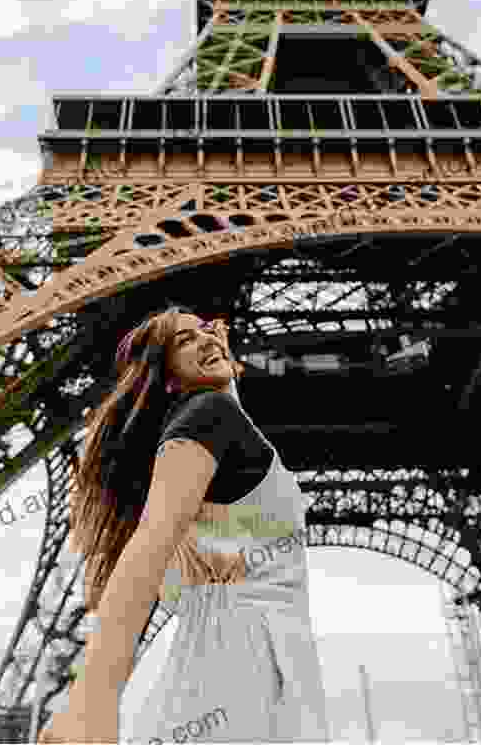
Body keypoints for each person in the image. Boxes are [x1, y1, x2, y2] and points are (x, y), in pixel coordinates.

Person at [38, 304, 330, 743]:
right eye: (185, 340)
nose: (206, 339)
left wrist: (220, 360)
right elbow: (148, 550)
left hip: (231, 654)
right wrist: (91, 703)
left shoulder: (212, 422)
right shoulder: (209, 415)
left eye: (206, 331)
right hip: (239, 661)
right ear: (167, 376)